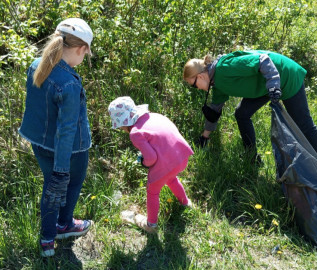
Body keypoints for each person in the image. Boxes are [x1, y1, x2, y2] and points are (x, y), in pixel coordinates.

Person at [18, 18, 94, 257]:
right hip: (70, 151)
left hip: (39, 143)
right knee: (66, 183)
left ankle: (47, 239)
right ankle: (63, 225)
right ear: (81, 49)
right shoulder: (68, 83)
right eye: (86, 54)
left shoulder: (35, 65)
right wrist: (62, 168)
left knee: (50, 186)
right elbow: (67, 130)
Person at [183, 50, 317, 165]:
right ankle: (252, 158)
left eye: (194, 85)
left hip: (284, 74)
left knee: (304, 124)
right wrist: (204, 137)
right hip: (267, 84)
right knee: (242, 113)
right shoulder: (216, 82)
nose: (197, 88)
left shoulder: (224, 68)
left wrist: (273, 86)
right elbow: (214, 111)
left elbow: (262, 60)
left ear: (200, 76)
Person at [108, 96, 194, 233]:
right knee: (171, 178)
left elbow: (152, 158)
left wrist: (144, 162)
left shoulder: (135, 133)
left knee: (152, 191)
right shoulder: (154, 116)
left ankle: (151, 225)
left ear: (123, 123)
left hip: (165, 166)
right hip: (181, 156)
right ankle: (186, 203)